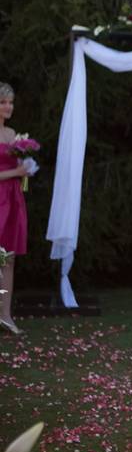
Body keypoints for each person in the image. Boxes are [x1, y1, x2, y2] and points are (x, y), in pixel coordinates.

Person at [0, 82, 28, 335]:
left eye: (10, 102)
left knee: (8, 259)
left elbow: (19, 169)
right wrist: (15, 172)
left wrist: (25, 170)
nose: (8, 107)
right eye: (3, 102)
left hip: (13, 199)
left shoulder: (13, 135)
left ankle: (5, 315)